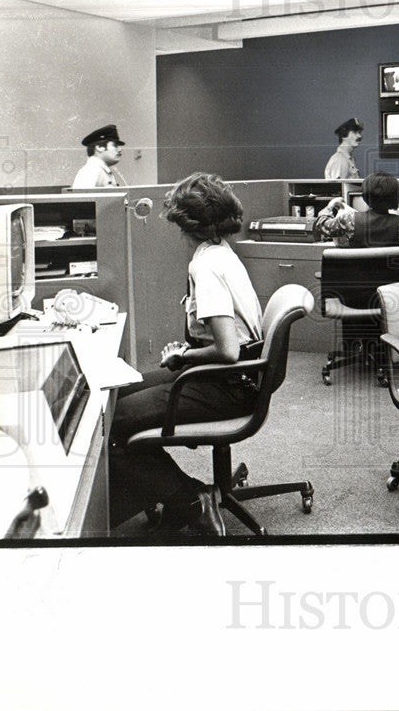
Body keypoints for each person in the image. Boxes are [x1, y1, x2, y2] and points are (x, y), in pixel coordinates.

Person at [108, 173, 263, 535]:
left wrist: (187, 358)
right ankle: (176, 495)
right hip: (241, 377)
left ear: (184, 222)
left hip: (224, 384)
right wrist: (187, 352)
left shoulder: (203, 265)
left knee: (107, 423)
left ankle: (189, 499)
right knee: (120, 391)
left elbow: (227, 350)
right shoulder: (223, 253)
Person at [314, 171, 399, 248]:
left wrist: (330, 206)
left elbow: (321, 225)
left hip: (356, 275)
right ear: (398, 198)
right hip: (389, 276)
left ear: (365, 197)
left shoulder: (349, 219)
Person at [72, 124, 126, 188]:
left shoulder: (99, 170)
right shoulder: (91, 170)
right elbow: (81, 197)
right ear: (99, 147)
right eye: (115, 146)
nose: (120, 150)